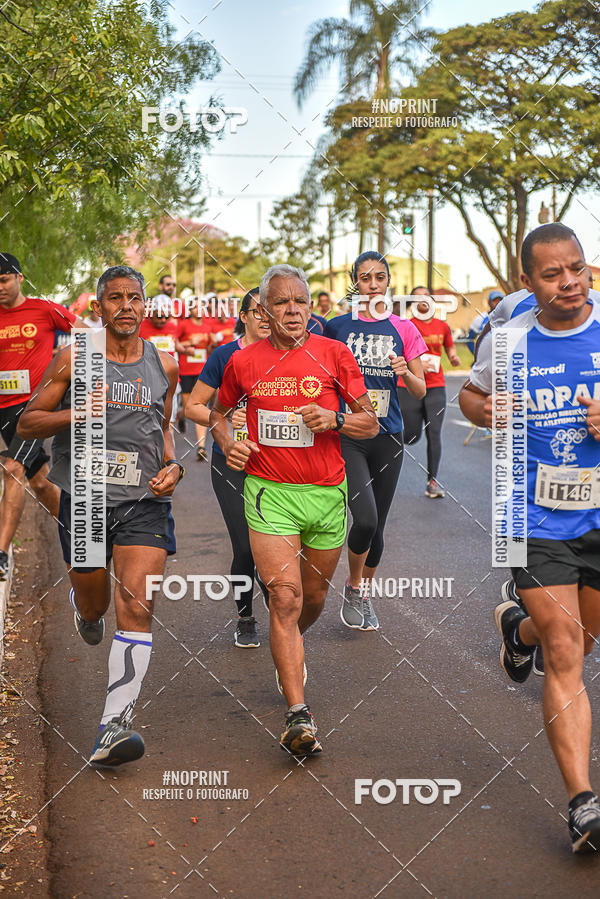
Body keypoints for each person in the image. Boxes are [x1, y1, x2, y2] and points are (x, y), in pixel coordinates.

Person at [458, 223, 600, 852]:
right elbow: (471, 394)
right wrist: (485, 410)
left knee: (582, 639)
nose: (569, 282)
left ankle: (518, 631)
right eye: (552, 274)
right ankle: (582, 803)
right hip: (530, 515)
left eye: (578, 268)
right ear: (527, 281)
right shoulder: (509, 340)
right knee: (566, 650)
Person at [210, 264, 378, 755]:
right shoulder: (244, 361)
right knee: (284, 599)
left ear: (310, 306)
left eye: (299, 301)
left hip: (326, 494)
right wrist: (229, 443)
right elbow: (218, 414)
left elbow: (370, 422)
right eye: (280, 302)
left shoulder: (335, 354)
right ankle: (298, 716)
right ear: (263, 310)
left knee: (312, 600)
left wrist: (335, 418)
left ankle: (289, 646)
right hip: (270, 493)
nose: (291, 310)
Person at [18, 264, 182, 766]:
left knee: (136, 605)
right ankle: (83, 604)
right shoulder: (75, 357)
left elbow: (163, 428)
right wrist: (76, 413)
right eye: (115, 298)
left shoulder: (165, 364)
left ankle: (114, 725)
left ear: (145, 305)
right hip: (85, 497)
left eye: (134, 297)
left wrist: (173, 466)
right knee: (96, 606)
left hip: (144, 502)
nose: (126, 306)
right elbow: (27, 422)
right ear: (98, 307)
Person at [325, 252, 426, 631]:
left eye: (379, 277)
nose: (372, 284)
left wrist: (404, 372)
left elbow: (419, 389)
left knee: (378, 525)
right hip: (349, 434)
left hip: (388, 436)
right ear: (355, 283)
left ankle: (362, 594)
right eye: (365, 278)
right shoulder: (336, 327)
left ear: (388, 282)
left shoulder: (404, 328)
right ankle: (353, 587)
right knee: (364, 518)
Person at [186, 288, 271, 648]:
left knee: (278, 545)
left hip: (276, 462)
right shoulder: (224, 356)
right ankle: (245, 617)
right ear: (244, 316)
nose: (266, 318)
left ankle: (283, 612)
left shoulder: (289, 354)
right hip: (231, 461)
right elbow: (192, 406)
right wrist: (222, 418)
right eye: (258, 311)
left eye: (271, 310)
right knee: (246, 546)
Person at [0, 253, 86, 580]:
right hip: (4, 407)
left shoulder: (45, 309)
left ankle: (1, 554)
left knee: (13, 468)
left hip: (35, 407)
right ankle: (78, 533)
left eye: (4, 280)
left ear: (19, 278)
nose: (0, 288)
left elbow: (88, 333)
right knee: (39, 480)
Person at [398, 287, 461, 498]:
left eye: (426, 296)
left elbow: (449, 347)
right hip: (409, 385)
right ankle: (382, 453)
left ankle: (432, 482)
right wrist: (415, 365)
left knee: (434, 433)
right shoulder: (406, 326)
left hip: (435, 385)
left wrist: (453, 357)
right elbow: (397, 354)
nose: (422, 300)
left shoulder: (442, 326)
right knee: (411, 435)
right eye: (417, 297)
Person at [176, 303, 215, 460]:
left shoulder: (207, 326)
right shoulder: (183, 325)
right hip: (186, 370)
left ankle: (201, 447)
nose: (199, 310)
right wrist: (188, 344)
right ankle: (180, 415)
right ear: (190, 310)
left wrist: (213, 344)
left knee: (200, 407)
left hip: (202, 371)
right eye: (196, 307)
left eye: (201, 307)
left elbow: (210, 349)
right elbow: (174, 343)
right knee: (188, 408)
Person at [466, 289, 503, 354]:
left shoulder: (509, 317)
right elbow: (470, 339)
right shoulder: (480, 318)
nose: (498, 303)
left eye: (500, 300)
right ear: (489, 302)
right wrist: (477, 354)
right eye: (495, 301)